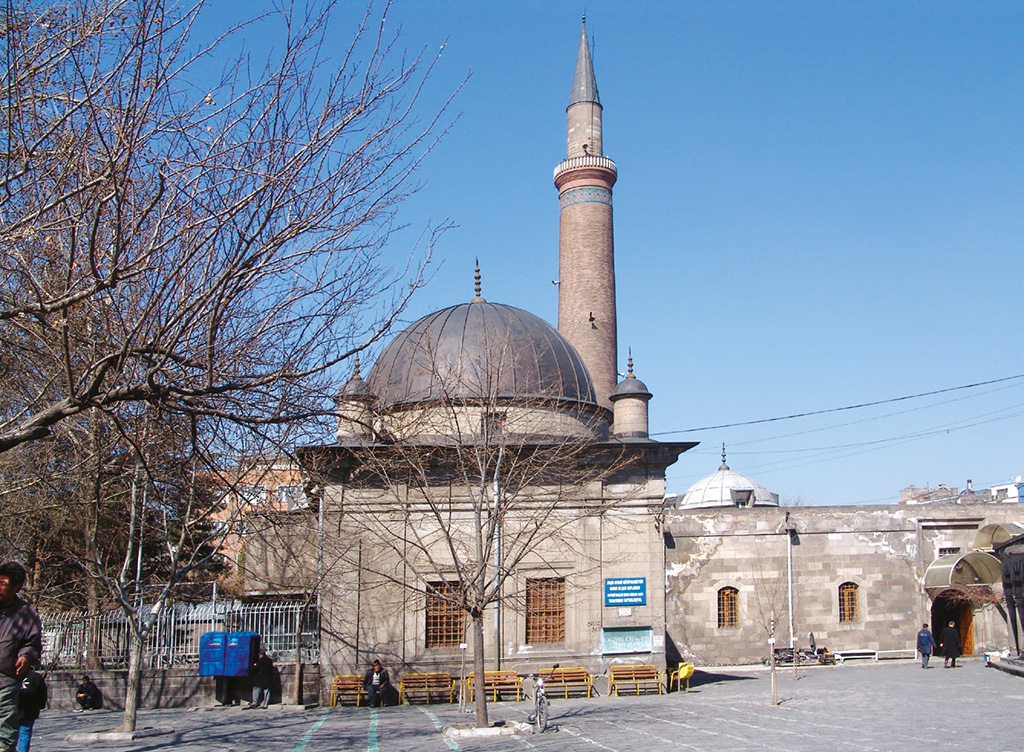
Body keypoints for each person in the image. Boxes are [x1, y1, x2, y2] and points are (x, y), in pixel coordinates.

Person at [0, 562, 42, 752]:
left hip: (6, 680)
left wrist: (26, 656)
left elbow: (33, 644)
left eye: (2, 583)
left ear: (16, 587)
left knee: (5, 730)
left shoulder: (26, 614)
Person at [16, 670, 46, 752]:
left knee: (9, 733)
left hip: (13, 708)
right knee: (25, 733)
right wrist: (41, 705)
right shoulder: (36, 677)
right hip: (29, 710)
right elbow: (42, 693)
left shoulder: (9, 675)